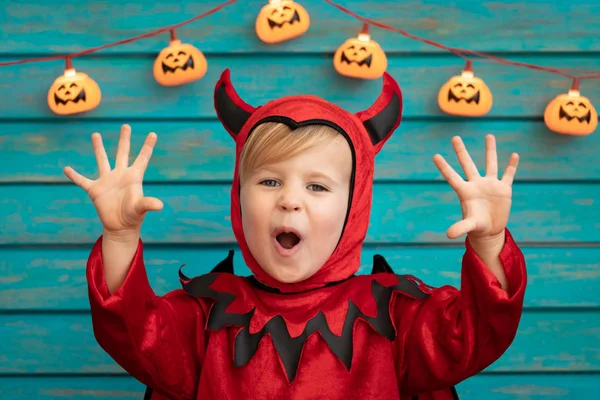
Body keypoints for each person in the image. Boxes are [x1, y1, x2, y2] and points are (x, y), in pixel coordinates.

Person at [63, 69, 527, 400]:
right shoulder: (203, 318)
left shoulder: (395, 318)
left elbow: (475, 336)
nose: (289, 200)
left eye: (318, 186)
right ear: (238, 198)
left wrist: (489, 244)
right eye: (268, 182)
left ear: (355, 205)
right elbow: (135, 337)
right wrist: (120, 238)